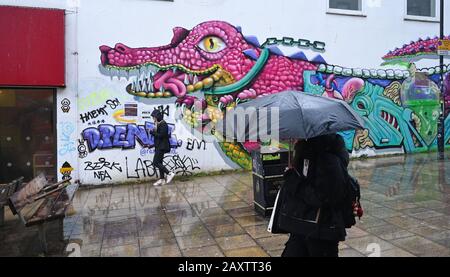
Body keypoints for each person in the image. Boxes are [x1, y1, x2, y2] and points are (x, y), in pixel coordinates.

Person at [279, 134, 350, 257]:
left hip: (322, 230)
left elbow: (323, 197)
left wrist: (293, 181)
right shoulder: (307, 153)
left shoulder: (328, 158)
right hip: (303, 225)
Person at [150, 109, 175, 187]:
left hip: (162, 147)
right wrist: (152, 145)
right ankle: (162, 179)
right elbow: (159, 137)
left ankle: (169, 173)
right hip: (159, 146)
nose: (153, 118)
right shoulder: (159, 123)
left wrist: (153, 133)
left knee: (155, 162)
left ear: (157, 116)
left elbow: (161, 135)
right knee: (160, 163)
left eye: (153, 117)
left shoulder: (163, 124)